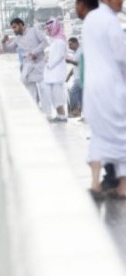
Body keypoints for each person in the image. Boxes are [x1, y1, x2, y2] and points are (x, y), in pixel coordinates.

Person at [82, 0, 126, 197]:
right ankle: (124, 186)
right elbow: (121, 56)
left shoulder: (90, 19)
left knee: (98, 133)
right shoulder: (110, 21)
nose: (122, 2)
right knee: (121, 133)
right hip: (112, 85)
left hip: (92, 88)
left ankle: (95, 184)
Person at [2, 18, 48, 103]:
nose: (14, 30)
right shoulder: (17, 38)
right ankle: (34, 109)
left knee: (44, 88)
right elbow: (8, 49)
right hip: (28, 64)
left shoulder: (34, 31)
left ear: (21, 25)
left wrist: (35, 52)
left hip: (40, 63)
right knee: (27, 86)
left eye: (15, 27)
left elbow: (45, 42)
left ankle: (47, 113)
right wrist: (3, 42)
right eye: (12, 28)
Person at [40, 18, 68, 122]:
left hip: (56, 73)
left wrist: (49, 64)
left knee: (58, 96)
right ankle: (59, 115)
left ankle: (62, 116)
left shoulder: (60, 41)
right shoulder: (54, 40)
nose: (47, 30)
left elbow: (60, 56)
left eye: (48, 28)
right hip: (53, 73)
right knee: (55, 96)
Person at [65, 37, 83, 117]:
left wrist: (70, 61)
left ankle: (74, 110)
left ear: (76, 43)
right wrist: (69, 75)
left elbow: (80, 64)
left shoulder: (81, 52)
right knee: (80, 96)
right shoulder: (76, 53)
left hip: (80, 77)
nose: (69, 46)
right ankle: (80, 112)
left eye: (70, 44)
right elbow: (75, 66)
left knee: (73, 92)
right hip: (77, 77)